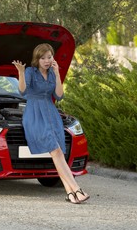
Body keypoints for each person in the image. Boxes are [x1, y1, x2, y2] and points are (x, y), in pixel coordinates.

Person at [12, 43, 90, 204]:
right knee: (55, 151)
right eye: (43, 58)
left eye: (49, 57)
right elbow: (22, 91)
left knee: (59, 151)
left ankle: (70, 193)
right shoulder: (30, 72)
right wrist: (20, 73)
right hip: (34, 114)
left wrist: (57, 73)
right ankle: (76, 188)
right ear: (37, 59)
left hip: (51, 113)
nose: (47, 61)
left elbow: (59, 95)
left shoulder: (53, 73)